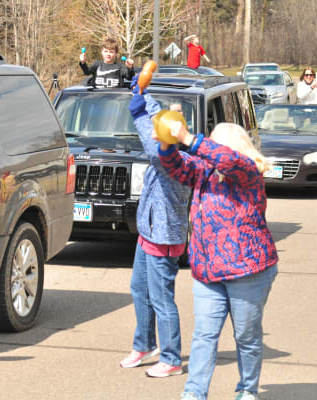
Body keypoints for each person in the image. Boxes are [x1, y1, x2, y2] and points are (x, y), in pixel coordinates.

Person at [156, 122, 278, 400]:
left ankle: (247, 389)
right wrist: (165, 141)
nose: (205, 148)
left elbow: (228, 159)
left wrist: (188, 138)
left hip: (248, 271)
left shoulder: (248, 171)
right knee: (203, 336)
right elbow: (173, 165)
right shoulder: (205, 171)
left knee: (246, 337)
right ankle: (194, 393)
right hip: (208, 271)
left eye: (212, 142)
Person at [119, 76, 191, 378]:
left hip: (164, 239)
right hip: (148, 234)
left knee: (162, 299)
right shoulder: (167, 154)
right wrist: (145, 95)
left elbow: (150, 135)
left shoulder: (172, 161)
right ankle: (145, 344)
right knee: (139, 289)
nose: (155, 134)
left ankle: (172, 358)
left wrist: (139, 100)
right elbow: (156, 127)